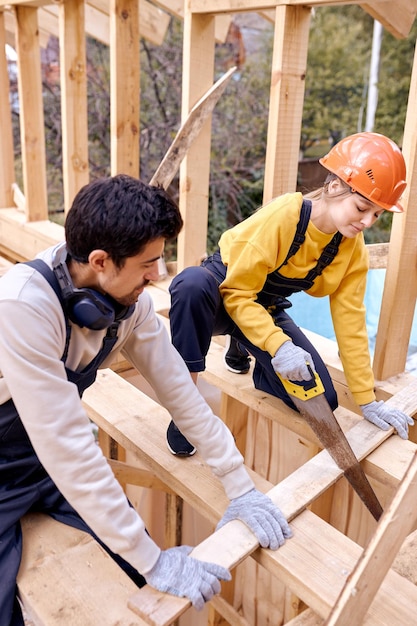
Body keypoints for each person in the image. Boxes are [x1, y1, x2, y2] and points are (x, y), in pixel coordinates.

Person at [0, 175, 292, 626]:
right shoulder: (24, 305)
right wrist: (156, 563)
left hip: (43, 462)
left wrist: (241, 487)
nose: (157, 275)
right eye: (148, 264)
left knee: (129, 565)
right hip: (11, 462)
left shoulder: (128, 306)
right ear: (100, 261)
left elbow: (181, 392)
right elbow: (67, 444)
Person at [167, 132, 414, 456]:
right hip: (223, 292)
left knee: (323, 401)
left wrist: (367, 401)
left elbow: (352, 325)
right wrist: (279, 345)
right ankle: (185, 410)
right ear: (335, 186)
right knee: (191, 284)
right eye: (362, 207)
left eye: (378, 214)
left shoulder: (352, 251)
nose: (368, 221)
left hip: (262, 309)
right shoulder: (286, 216)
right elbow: (239, 294)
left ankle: (247, 348)